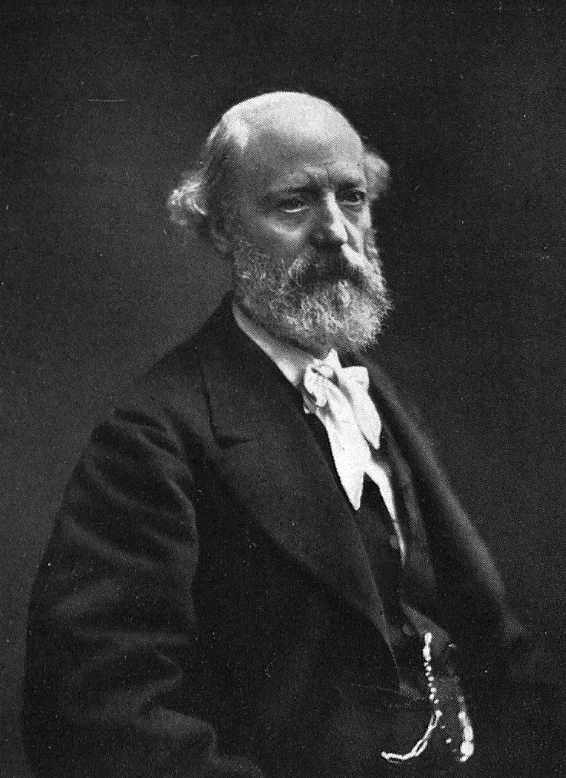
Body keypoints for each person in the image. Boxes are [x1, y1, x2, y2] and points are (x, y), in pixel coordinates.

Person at [23, 92, 527, 778]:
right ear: (221, 231)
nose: (336, 232)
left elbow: (489, 639)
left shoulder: (373, 391)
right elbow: (98, 717)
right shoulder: (151, 440)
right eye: (294, 204)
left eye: (352, 198)